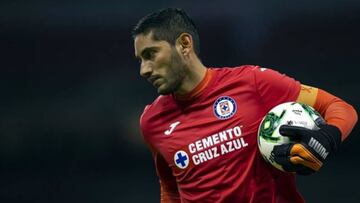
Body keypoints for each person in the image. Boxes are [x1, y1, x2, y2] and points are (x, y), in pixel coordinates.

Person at [132, 8, 357, 203]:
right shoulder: (152, 122)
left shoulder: (253, 83)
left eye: (151, 54)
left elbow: (340, 108)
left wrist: (326, 139)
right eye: (140, 60)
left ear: (184, 44)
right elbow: (171, 190)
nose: (144, 70)